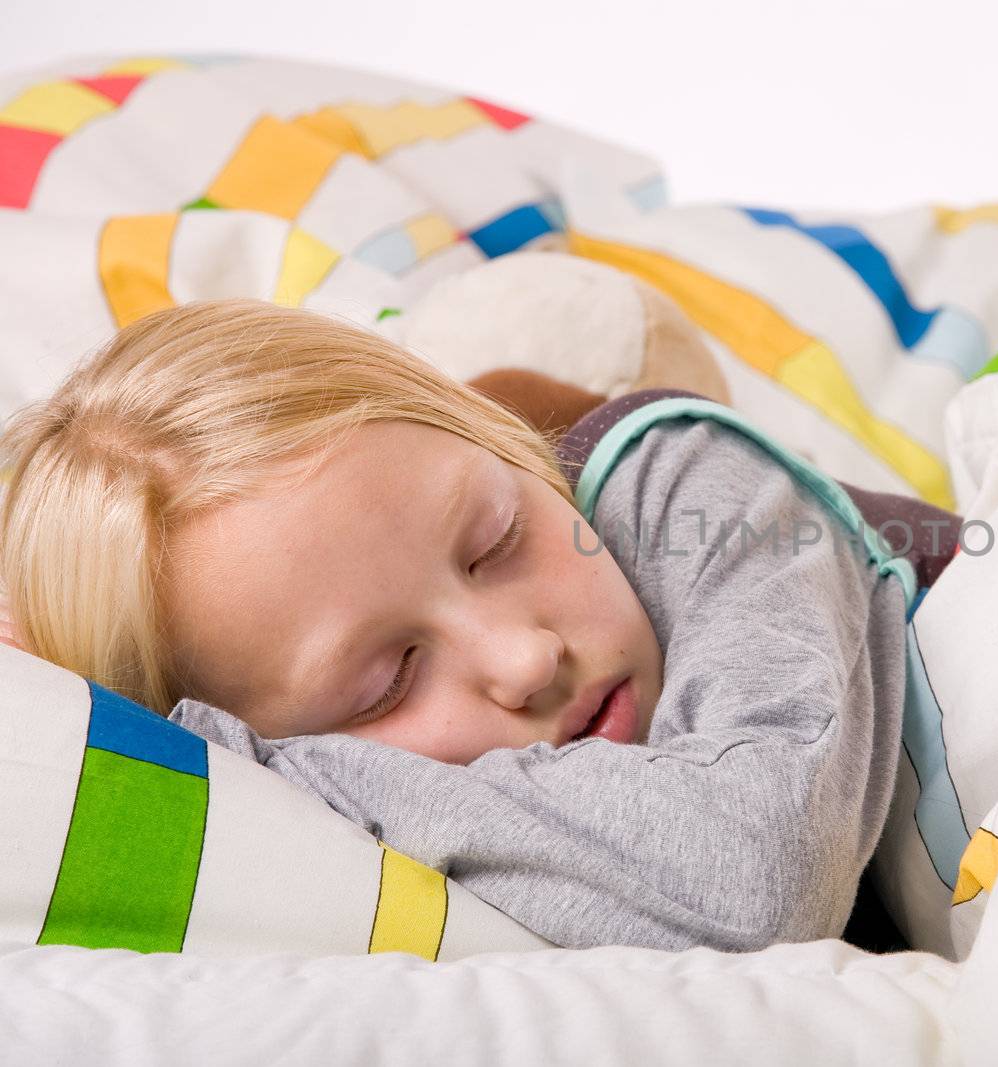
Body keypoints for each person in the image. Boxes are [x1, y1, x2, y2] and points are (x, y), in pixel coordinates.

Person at [0, 299, 948, 952]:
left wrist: (285, 766)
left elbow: (762, 883)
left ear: (498, 444)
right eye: (389, 680)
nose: (527, 657)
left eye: (498, 540)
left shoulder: (689, 480)